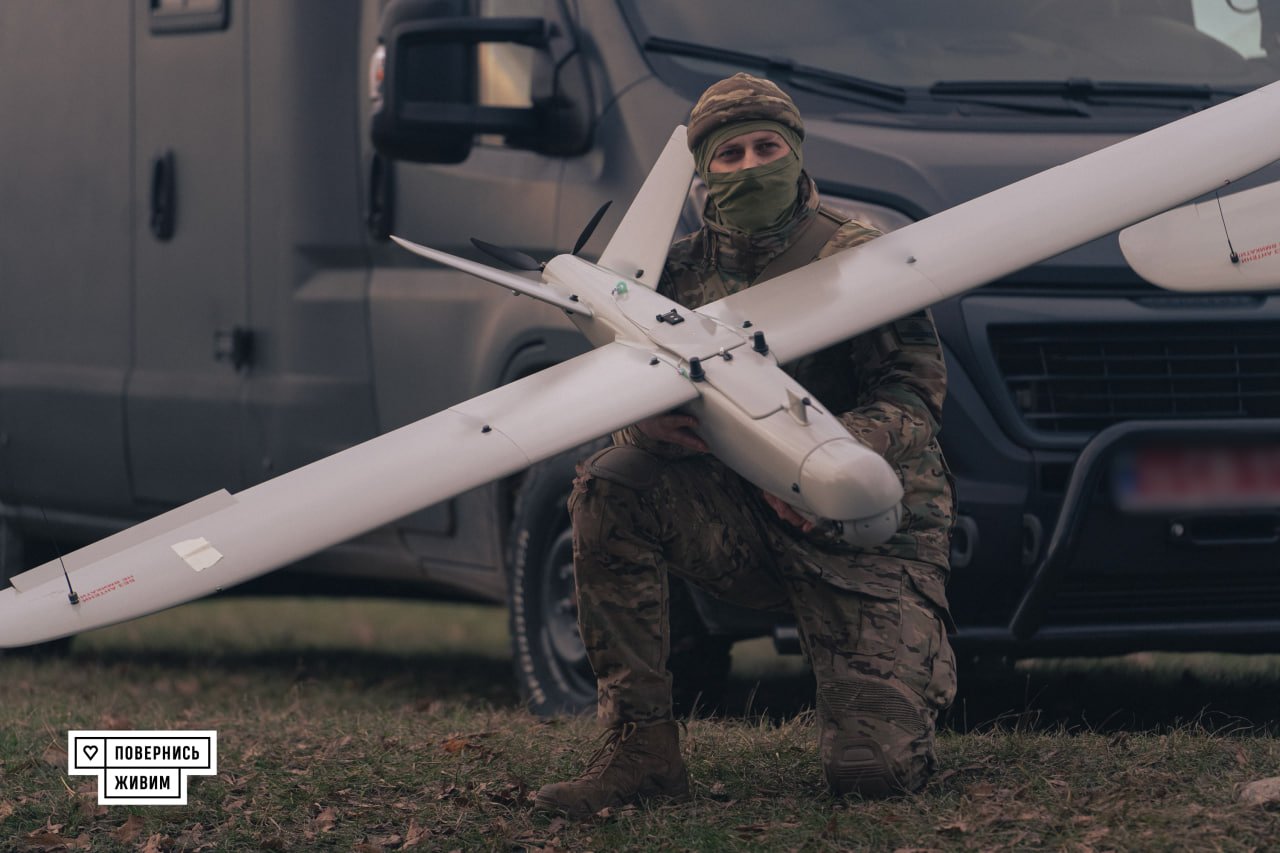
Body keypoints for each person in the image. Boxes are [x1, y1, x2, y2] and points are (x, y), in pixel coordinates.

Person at [534, 73, 957, 819]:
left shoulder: (861, 258)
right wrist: (642, 425)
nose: (751, 166)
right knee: (611, 481)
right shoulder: (678, 278)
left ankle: (894, 701)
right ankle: (641, 750)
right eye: (729, 155)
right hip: (740, 518)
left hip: (864, 531)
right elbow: (630, 386)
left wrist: (825, 459)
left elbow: (914, 396)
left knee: (872, 775)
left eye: (767, 147)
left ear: (795, 153)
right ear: (703, 172)